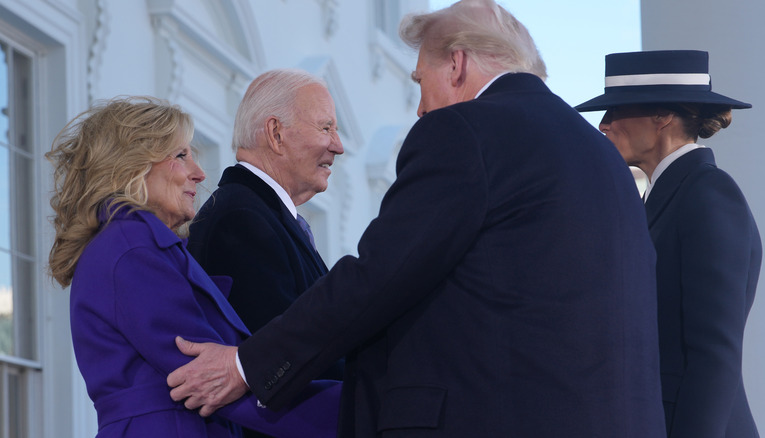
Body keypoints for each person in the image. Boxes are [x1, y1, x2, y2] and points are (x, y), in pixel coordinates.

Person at [168, 1, 666, 437]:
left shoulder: (466, 130)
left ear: (457, 63)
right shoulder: (603, 157)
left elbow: (381, 275)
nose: (422, 109)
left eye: (419, 82)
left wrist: (246, 366)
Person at [46, 96, 339, 438]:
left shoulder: (139, 247)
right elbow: (210, 377)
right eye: (181, 155)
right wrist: (360, 409)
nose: (199, 174)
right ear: (132, 164)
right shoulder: (132, 247)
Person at [576, 50, 761, 438]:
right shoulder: (668, 196)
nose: (603, 124)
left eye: (616, 110)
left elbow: (714, 354)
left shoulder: (708, 193)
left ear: (662, 116)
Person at [187, 67, 346, 438]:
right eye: (326, 127)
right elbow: (277, 363)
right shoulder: (241, 219)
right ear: (276, 133)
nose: (338, 146)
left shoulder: (259, 214)